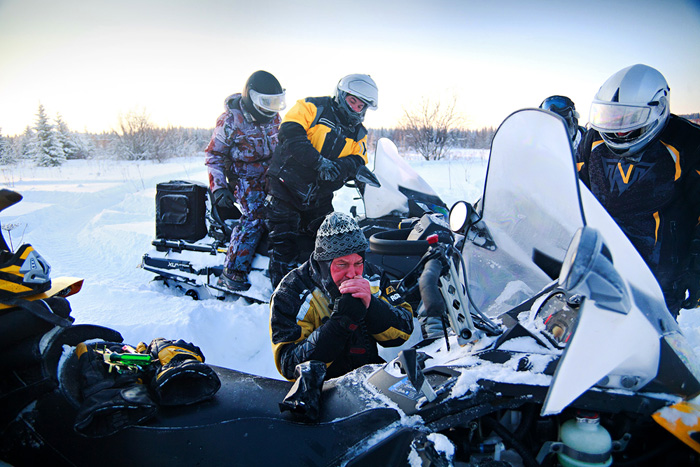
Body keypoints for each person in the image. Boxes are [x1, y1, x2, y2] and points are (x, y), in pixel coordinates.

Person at [576, 64, 700, 317]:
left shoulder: (688, 143)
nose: (618, 128)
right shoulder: (594, 140)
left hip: (658, 279)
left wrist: (697, 268)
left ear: (659, 108)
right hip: (598, 267)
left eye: (630, 119)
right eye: (611, 117)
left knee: (647, 351)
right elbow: (575, 192)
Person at [270, 212, 414, 381]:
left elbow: (404, 330)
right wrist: (341, 322)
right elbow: (288, 365)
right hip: (322, 389)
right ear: (324, 263)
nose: (352, 274)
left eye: (358, 263)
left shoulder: (372, 276)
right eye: (342, 264)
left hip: (368, 378)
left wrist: (373, 307)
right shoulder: (292, 292)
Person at [265, 74, 378, 288]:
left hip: (319, 197)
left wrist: (340, 168)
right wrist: (319, 162)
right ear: (342, 95)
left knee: (327, 244)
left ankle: (321, 290)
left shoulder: (358, 134)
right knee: (284, 243)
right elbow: (291, 134)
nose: (355, 107)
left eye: (360, 105)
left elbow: (358, 160)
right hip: (285, 187)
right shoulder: (311, 107)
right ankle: (281, 296)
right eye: (352, 100)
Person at [204, 70, 286, 292]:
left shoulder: (274, 117)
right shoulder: (230, 121)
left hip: (272, 174)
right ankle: (232, 270)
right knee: (257, 216)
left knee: (294, 206)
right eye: (267, 102)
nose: (272, 107)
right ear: (252, 97)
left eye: (276, 102)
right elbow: (214, 156)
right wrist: (219, 188)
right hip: (244, 178)